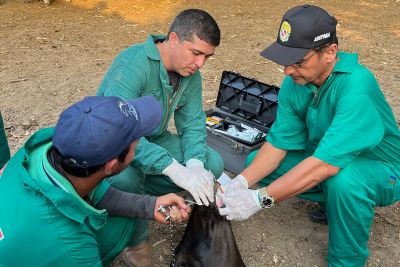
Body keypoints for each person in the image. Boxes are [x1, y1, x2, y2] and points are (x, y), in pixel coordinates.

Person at [218, 4, 400, 267]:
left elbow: (325, 165)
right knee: (254, 163)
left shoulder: (355, 87)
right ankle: (335, 205)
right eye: (284, 62)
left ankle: (346, 261)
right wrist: (243, 183)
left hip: (383, 170)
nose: (288, 71)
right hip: (327, 158)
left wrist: (261, 199)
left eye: (298, 62)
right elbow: (278, 144)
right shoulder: (296, 83)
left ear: (330, 52)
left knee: (345, 180)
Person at [0, 95, 191, 267]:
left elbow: (100, 194)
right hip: (54, 245)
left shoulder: (39, 150)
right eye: (136, 138)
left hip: (25, 229)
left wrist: (150, 205)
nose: (140, 141)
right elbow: (71, 248)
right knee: (120, 225)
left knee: (125, 216)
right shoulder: (72, 248)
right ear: (111, 165)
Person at [96, 9, 224, 265]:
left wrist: (195, 165)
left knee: (214, 163)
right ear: (173, 39)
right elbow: (118, 130)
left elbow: (192, 124)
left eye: (207, 57)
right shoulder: (132, 65)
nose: (200, 64)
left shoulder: (191, 75)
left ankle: (166, 200)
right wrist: (171, 167)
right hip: (113, 147)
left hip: (154, 140)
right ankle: (136, 239)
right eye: (196, 53)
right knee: (125, 176)